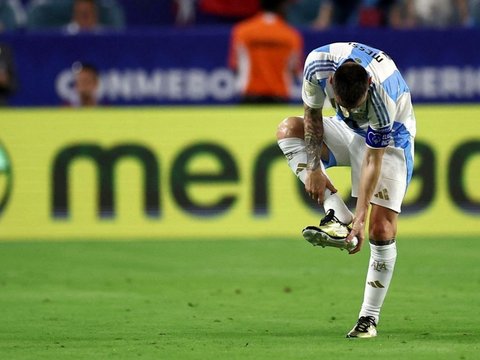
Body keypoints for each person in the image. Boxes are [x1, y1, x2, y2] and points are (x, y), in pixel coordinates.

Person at [276, 42, 416, 338]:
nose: (352, 109)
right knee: (289, 129)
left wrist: (362, 216)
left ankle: (369, 318)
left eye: (357, 104)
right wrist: (314, 167)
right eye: (343, 103)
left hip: (390, 140)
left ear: (368, 85)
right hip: (346, 130)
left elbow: (371, 160)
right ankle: (336, 214)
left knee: (381, 229)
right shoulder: (316, 65)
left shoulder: (382, 98)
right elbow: (311, 114)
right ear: (331, 82)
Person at [228, 0, 303, 103]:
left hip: (250, 96)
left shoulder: (242, 31)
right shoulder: (291, 35)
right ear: (281, 6)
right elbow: (295, 69)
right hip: (279, 98)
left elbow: (235, 64)